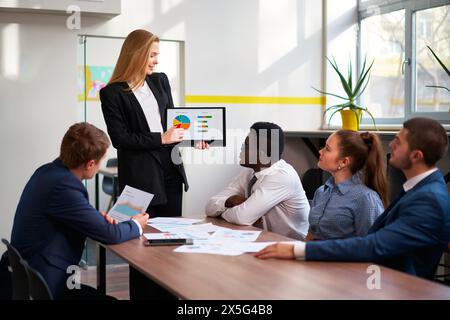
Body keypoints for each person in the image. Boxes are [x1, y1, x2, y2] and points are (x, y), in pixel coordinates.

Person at [256, 117, 450, 280]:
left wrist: (296, 251)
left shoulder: (429, 199)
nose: (391, 144)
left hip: (392, 285)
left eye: (398, 142)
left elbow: (374, 245)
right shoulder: (418, 189)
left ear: (416, 156)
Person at [100, 29, 207, 299]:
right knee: (141, 245)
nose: (157, 61)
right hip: (140, 180)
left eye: (158, 55)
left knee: (171, 243)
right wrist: (162, 137)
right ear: (137, 54)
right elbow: (120, 139)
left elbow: (173, 123)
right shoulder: (112, 93)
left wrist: (192, 138)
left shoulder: (160, 82)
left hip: (170, 172)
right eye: (153, 54)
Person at [1, 123, 148, 300]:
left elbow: (69, 217)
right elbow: (110, 235)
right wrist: (136, 225)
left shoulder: (47, 172)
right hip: (44, 286)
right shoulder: (64, 186)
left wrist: (95, 219)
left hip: (28, 278)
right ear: (90, 164)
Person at [205, 122, 310, 240]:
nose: (241, 149)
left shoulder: (282, 176)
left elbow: (242, 217)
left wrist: (225, 212)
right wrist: (230, 201)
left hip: (289, 244)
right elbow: (209, 207)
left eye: (246, 145)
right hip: (262, 239)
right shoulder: (250, 173)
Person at [306, 130, 388, 240]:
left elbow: (370, 246)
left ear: (344, 162)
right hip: (313, 255)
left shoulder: (365, 198)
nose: (320, 151)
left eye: (327, 149)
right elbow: (311, 236)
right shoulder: (321, 192)